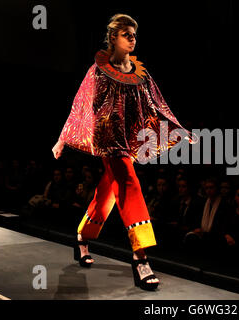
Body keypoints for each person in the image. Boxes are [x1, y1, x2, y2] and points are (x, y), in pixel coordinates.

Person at [52, 13, 196, 290]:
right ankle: (140, 257)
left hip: (129, 140)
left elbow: (157, 103)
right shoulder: (97, 69)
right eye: (127, 34)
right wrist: (62, 139)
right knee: (130, 184)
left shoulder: (139, 72)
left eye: (134, 34)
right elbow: (79, 105)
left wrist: (178, 128)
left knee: (108, 189)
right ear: (113, 38)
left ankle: (82, 236)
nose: (132, 38)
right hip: (107, 139)